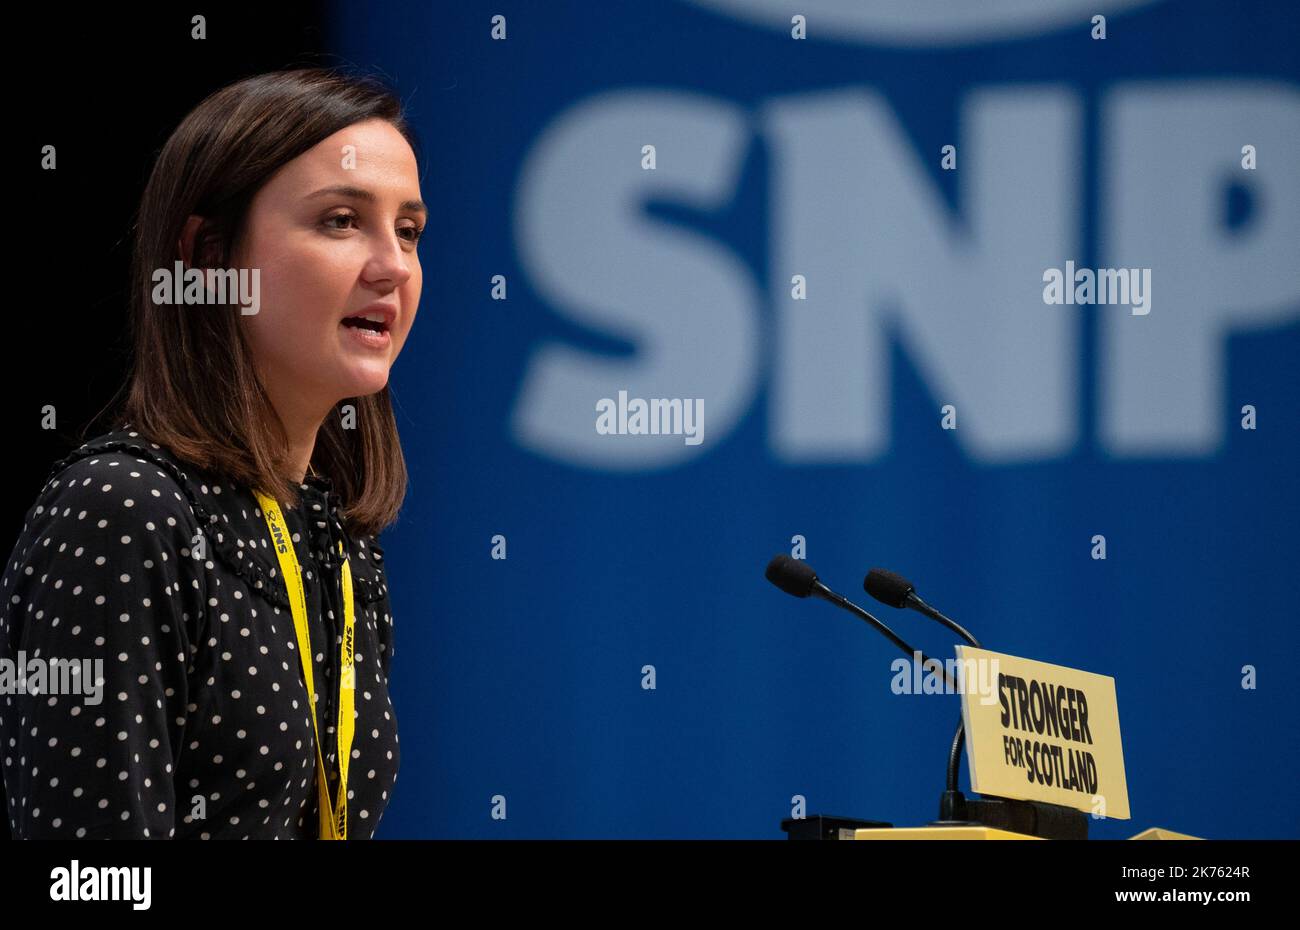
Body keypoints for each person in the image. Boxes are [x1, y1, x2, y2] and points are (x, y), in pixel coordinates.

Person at [0, 67, 424, 838]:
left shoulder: (337, 540)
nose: (393, 264)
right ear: (206, 255)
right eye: (340, 220)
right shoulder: (123, 513)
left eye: (408, 230)